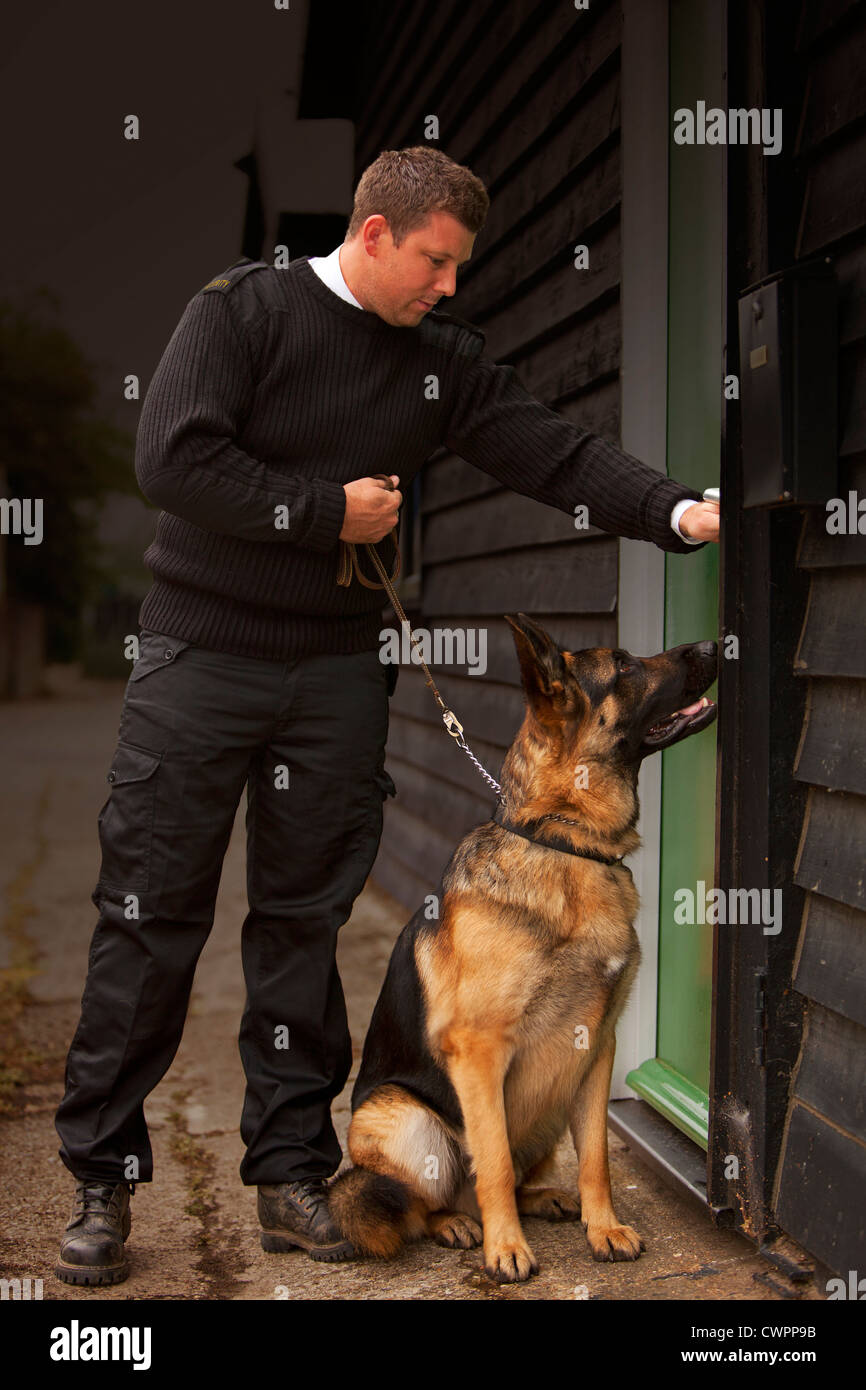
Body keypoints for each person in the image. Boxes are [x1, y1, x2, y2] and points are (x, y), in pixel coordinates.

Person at [53, 145, 720, 1286]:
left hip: (334, 677)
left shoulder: (437, 364)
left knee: (300, 929)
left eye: (457, 269)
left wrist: (671, 509)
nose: (449, 288)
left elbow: (547, 448)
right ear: (371, 235)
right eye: (436, 263)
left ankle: (288, 1176)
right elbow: (170, 457)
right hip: (198, 660)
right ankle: (102, 1179)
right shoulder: (238, 313)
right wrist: (323, 511)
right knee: (150, 916)